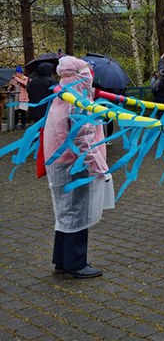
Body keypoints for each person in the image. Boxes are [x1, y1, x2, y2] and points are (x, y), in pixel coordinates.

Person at [44, 56, 115, 279]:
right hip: (75, 165)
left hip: (61, 162)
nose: (90, 77)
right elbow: (83, 139)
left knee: (65, 213)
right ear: (80, 76)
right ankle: (76, 263)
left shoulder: (63, 95)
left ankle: (63, 260)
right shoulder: (78, 101)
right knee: (76, 213)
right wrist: (100, 169)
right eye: (87, 73)